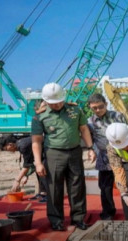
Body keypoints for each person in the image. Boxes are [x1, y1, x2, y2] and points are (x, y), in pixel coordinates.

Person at [31, 82, 95, 231]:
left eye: (59, 101)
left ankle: (78, 219)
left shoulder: (75, 110)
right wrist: (38, 163)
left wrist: (90, 148)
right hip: (53, 153)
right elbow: (36, 141)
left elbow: (84, 129)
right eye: (53, 103)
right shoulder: (40, 116)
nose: (57, 105)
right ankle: (56, 220)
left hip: (74, 152)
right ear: (45, 101)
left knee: (77, 186)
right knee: (54, 188)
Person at [87, 93, 127, 220]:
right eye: (94, 108)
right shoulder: (90, 122)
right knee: (105, 187)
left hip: (121, 155)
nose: (98, 110)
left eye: (100, 107)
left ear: (106, 104)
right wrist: (92, 151)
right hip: (103, 158)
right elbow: (91, 139)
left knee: (127, 184)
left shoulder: (118, 116)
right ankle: (108, 212)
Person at [0, 135, 48, 203]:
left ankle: (49, 196)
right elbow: (30, 163)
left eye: (6, 149)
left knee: (42, 169)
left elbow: (26, 166)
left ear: (10, 145)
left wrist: (17, 181)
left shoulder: (23, 146)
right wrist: (26, 175)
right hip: (42, 154)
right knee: (38, 168)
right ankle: (43, 193)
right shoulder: (21, 143)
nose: (8, 151)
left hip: (48, 152)